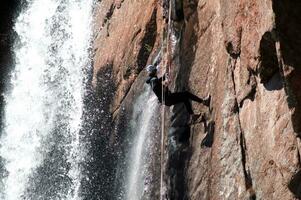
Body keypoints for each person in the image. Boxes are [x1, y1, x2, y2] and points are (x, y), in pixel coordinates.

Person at [145, 64, 210, 115]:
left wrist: (165, 76)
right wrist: (165, 85)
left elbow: (159, 81)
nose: (157, 71)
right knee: (186, 94)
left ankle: (192, 115)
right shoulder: (154, 80)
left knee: (185, 98)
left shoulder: (152, 79)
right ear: (154, 71)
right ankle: (204, 102)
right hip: (167, 98)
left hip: (166, 100)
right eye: (156, 70)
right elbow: (156, 87)